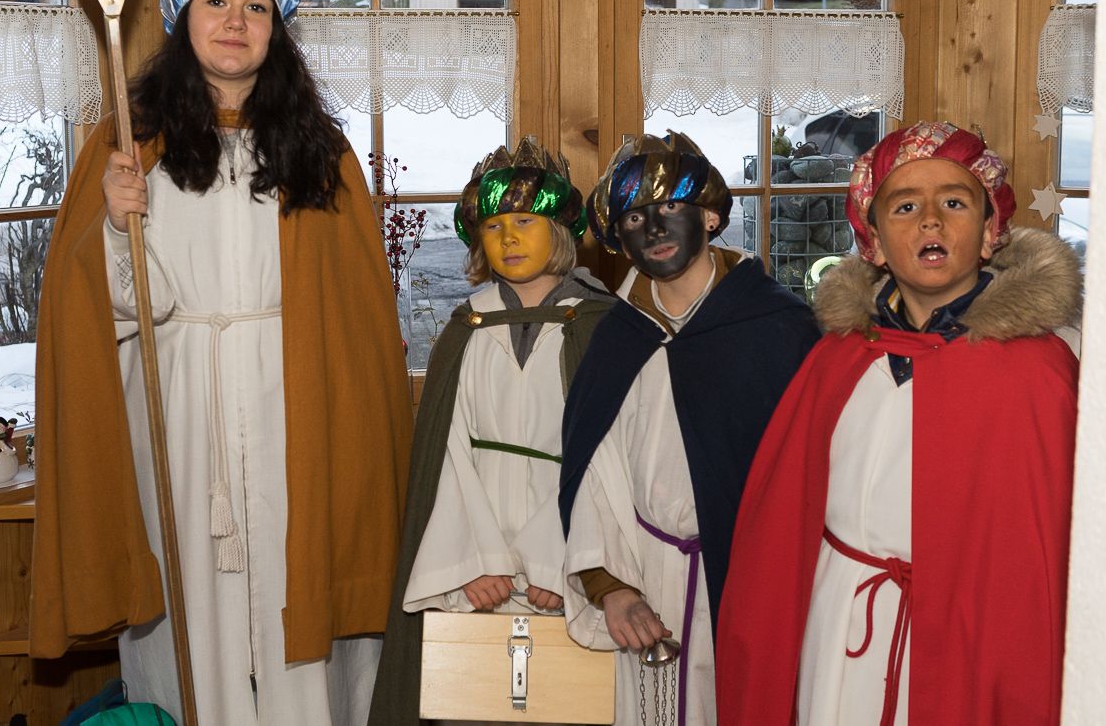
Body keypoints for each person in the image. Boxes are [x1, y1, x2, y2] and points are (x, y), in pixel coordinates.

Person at [30, 0, 413, 724]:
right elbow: (96, 312)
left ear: (278, 26)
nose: (236, 21)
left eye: (255, 6)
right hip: (179, 413)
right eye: (216, 1)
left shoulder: (322, 152)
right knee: (189, 612)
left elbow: (359, 324)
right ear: (181, 15)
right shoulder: (131, 143)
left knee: (297, 591)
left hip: (296, 413)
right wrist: (114, 225)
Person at [716, 121, 1081, 726]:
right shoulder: (835, 361)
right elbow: (777, 532)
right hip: (842, 622)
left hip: (972, 635)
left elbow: (1050, 561)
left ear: (989, 232)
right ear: (875, 243)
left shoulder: (1038, 373)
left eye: (954, 203)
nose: (930, 221)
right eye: (905, 206)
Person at [558, 133, 820, 725]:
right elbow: (593, 473)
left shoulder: (780, 329)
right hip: (646, 576)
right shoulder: (618, 338)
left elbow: (814, 479)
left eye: (671, 207)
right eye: (634, 217)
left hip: (757, 578)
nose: (654, 228)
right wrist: (611, 586)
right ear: (618, 238)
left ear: (710, 216)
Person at [368, 137, 615, 725]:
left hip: (570, 563)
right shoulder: (468, 328)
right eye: (494, 225)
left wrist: (559, 565)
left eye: (525, 221)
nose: (508, 238)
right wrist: (476, 561)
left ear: (560, 229)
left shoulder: (602, 328)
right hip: (478, 575)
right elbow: (447, 453)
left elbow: (609, 460)